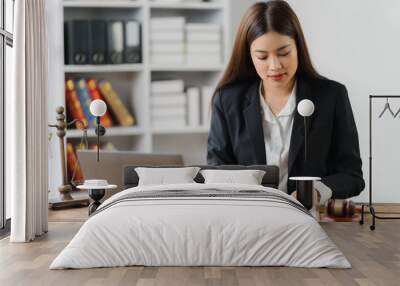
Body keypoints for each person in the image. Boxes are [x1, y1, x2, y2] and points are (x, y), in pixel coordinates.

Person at [207, 0, 365, 204]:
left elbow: (352, 176)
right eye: (262, 57)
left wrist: (316, 191)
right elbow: (215, 175)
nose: (275, 65)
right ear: (249, 56)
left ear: (298, 46)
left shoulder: (331, 96)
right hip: (247, 219)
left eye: (284, 53)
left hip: (309, 221)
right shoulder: (227, 100)